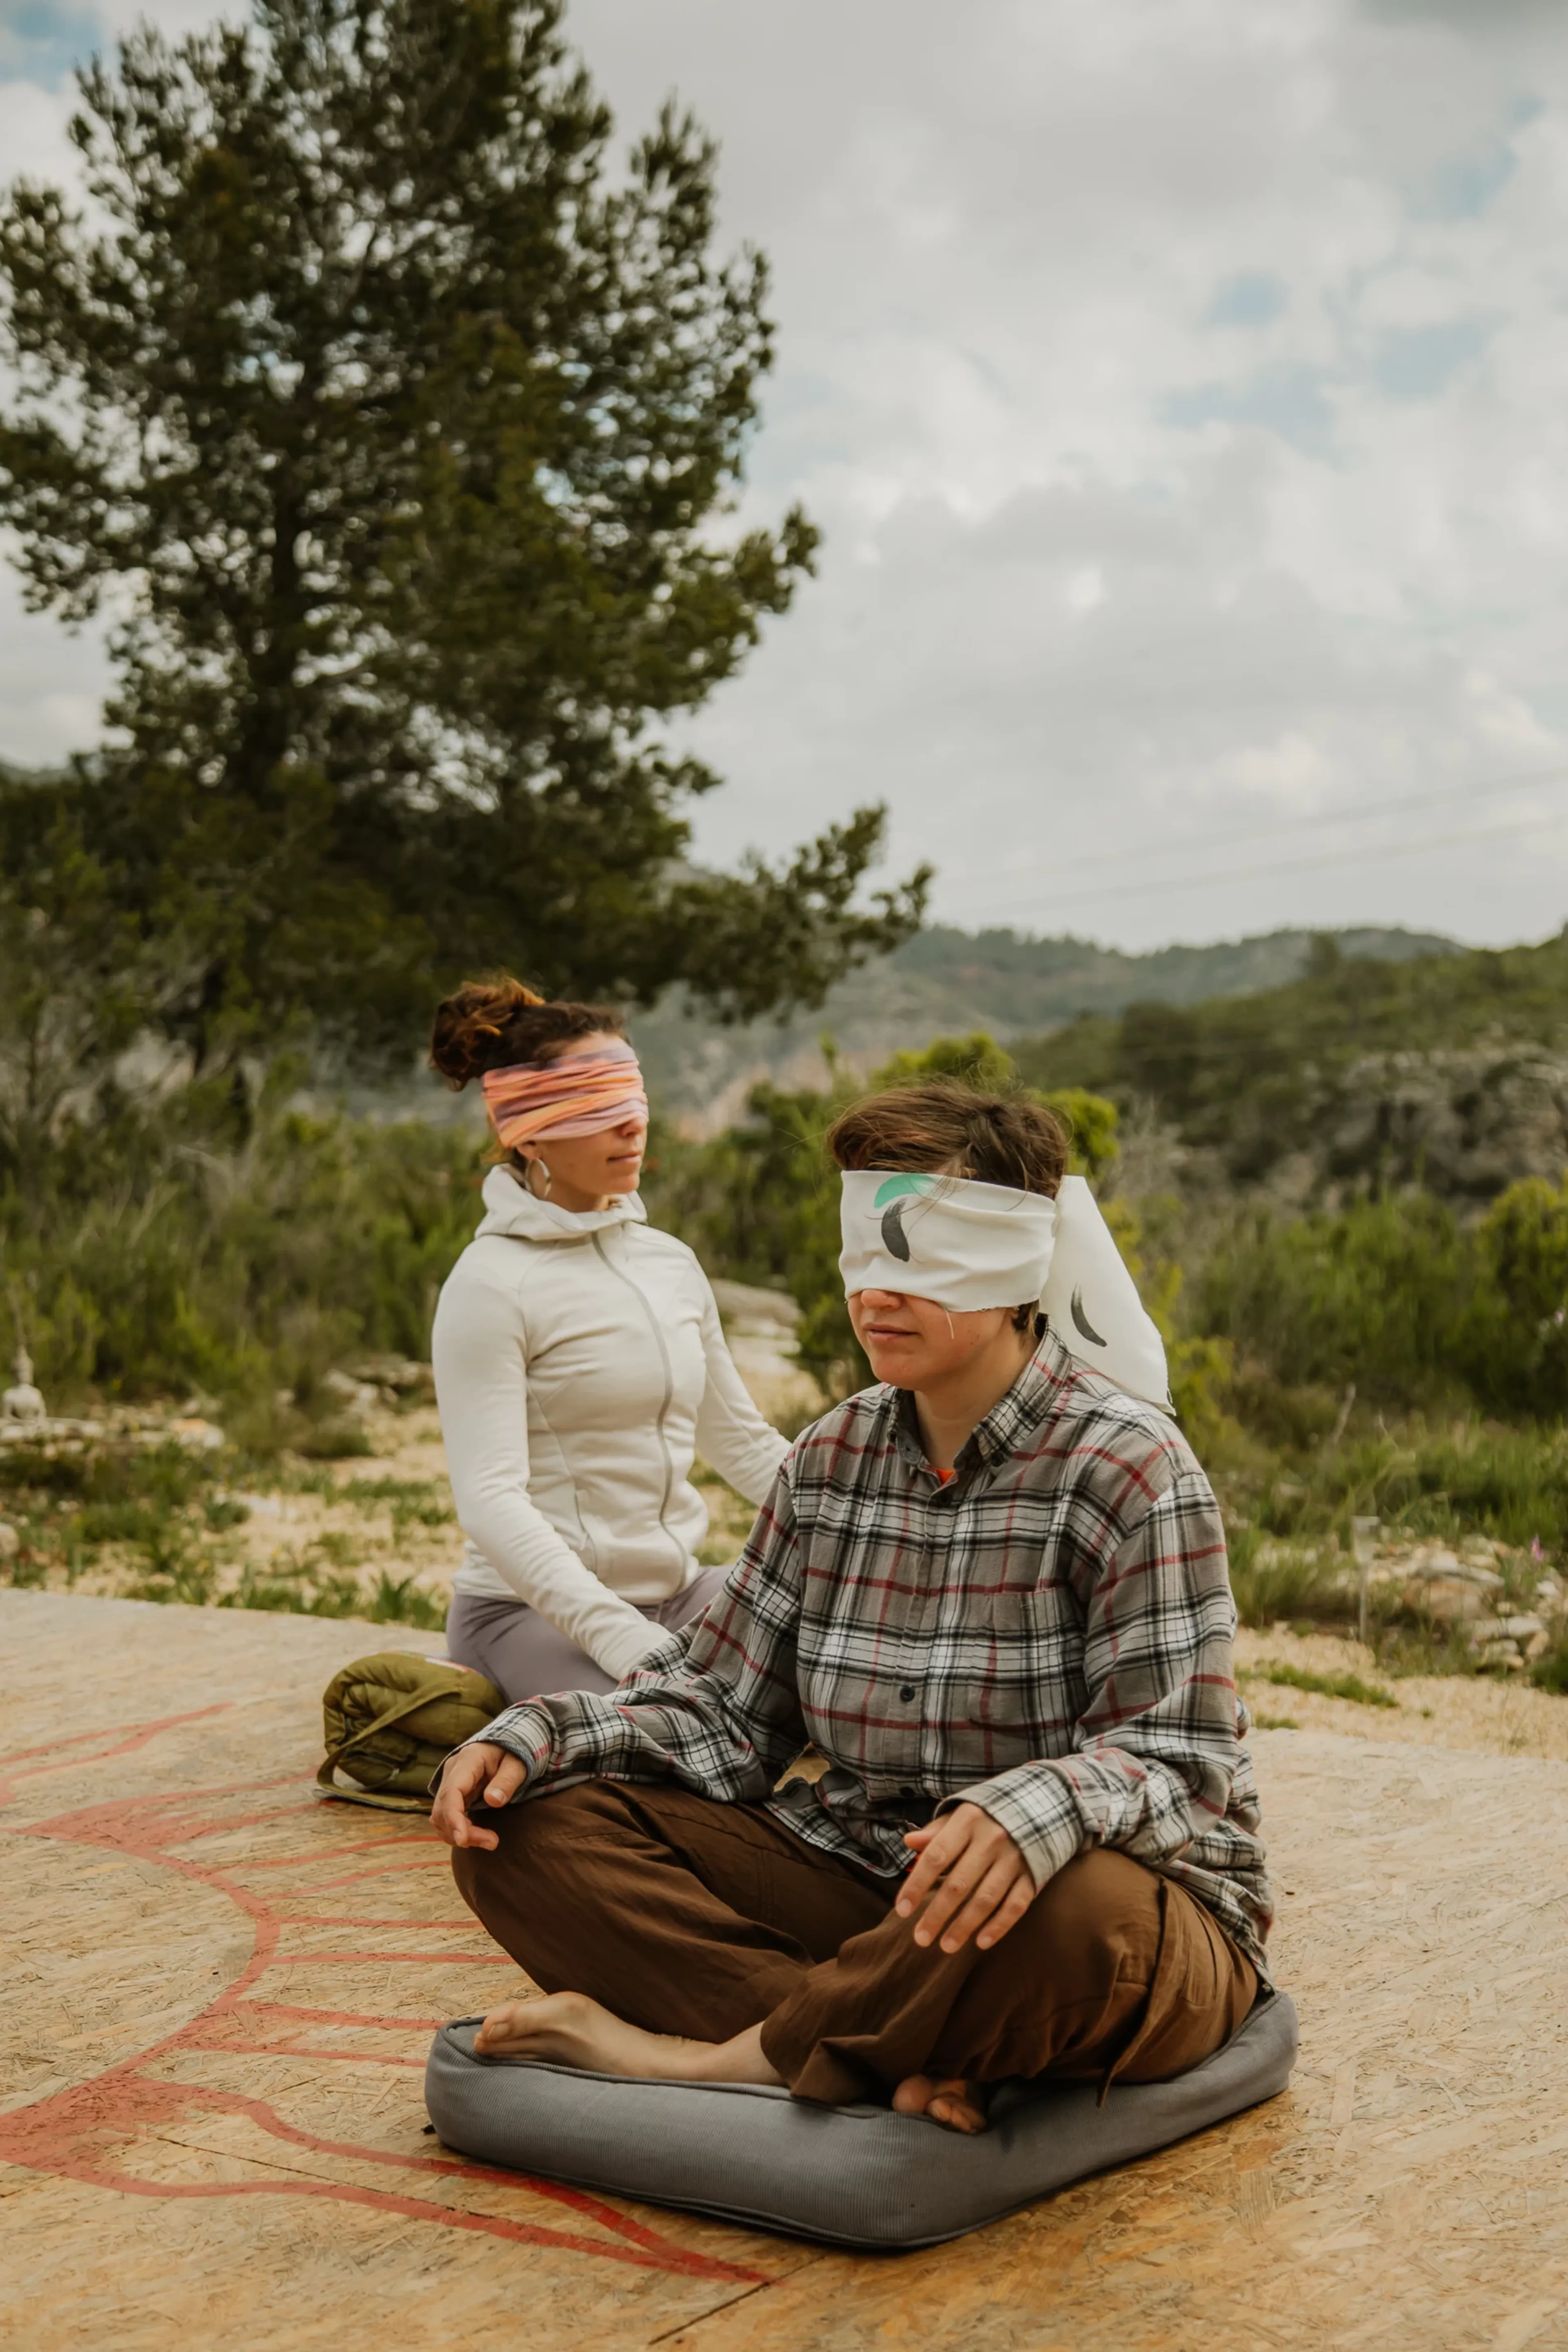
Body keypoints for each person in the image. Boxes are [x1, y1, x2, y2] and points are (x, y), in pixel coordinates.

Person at [432, 1079, 1271, 2136]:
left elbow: (1180, 1760)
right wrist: (546, 1733)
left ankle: (716, 2060)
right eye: (862, 1257)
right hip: (873, 1882)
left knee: (1081, 1915)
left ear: (1016, 1264)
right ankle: (881, 2043)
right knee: (526, 1825)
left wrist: (1033, 1815)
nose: (874, 1293)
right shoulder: (832, 1458)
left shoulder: (1132, 1465)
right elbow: (727, 1712)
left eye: (919, 1258)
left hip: (1110, 1910)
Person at [429, 976, 790, 1704]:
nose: (632, 1126)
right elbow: (492, 1499)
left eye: (635, 1100)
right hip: (528, 1617)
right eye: (599, 1106)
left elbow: (743, 1445)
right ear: (526, 1130)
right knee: (680, 1734)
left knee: (870, 1661)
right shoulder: (490, 1285)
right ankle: (478, 1704)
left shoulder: (670, 1263)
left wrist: (883, 1521)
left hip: (683, 1599)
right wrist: (625, 1639)